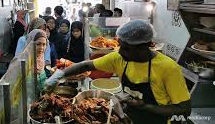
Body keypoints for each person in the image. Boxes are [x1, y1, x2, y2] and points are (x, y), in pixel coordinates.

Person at [45, 20, 191, 124]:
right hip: (128, 116)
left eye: (126, 48)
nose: (120, 51)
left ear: (143, 47)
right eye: (121, 46)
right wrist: (60, 75)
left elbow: (184, 109)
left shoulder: (168, 68)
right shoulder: (120, 58)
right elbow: (86, 66)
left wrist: (145, 106)